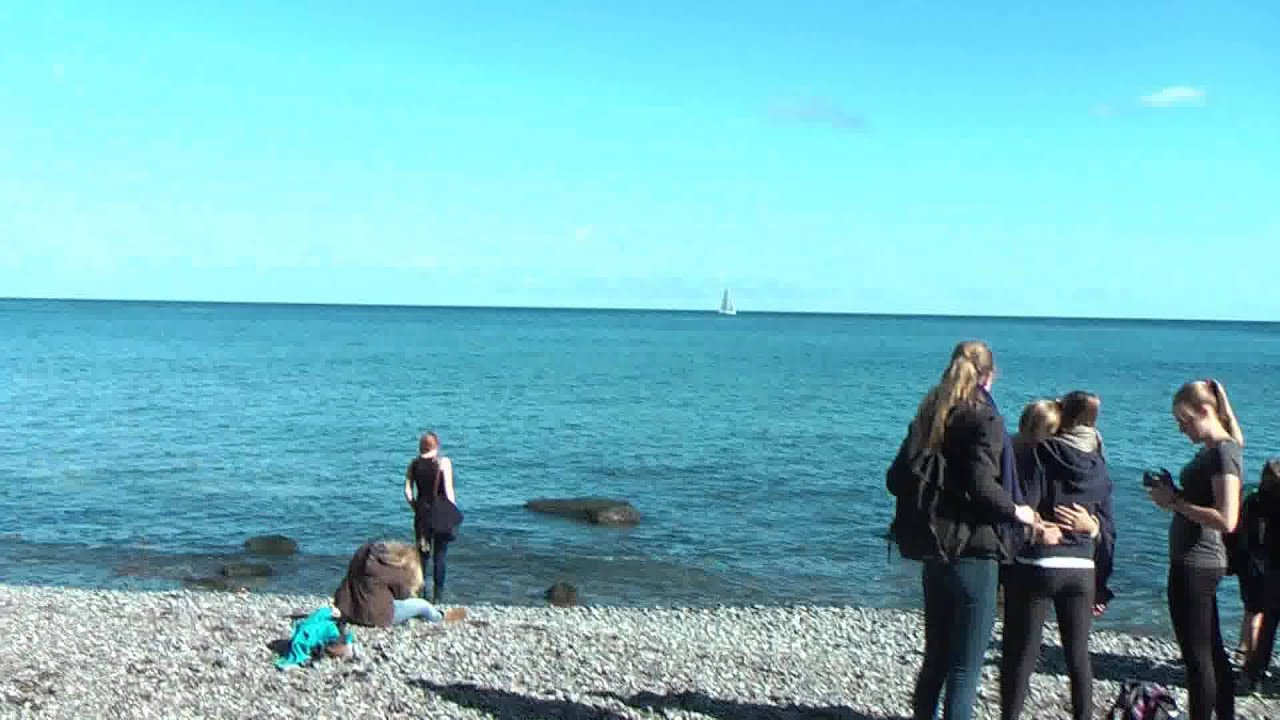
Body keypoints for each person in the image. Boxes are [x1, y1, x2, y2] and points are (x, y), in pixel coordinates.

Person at [895, 341, 1038, 720]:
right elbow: (982, 485)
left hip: (933, 546)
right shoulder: (985, 419)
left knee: (936, 659)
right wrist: (1019, 512)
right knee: (965, 667)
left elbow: (896, 478)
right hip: (974, 550)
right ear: (990, 376)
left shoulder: (930, 415)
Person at [1000, 391, 1115, 720]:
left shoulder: (1043, 453)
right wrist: (1102, 582)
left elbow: (1027, 505)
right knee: (1079, 656)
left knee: (1022, 654)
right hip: (1082, 567)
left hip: (1040, 562)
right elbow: (1108, 530)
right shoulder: (1099, 463)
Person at [1147, 379, 1244, 720]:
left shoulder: (1222, 452)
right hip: (1195, 560)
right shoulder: (1219, 448)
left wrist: (1175, 501)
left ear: (1206, 411)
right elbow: (1236, 436)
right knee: (1212, 654)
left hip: (1197, 562)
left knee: (1198, 658)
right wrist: (1174, 495)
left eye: (1185, 421)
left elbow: (1227, 518)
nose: (1180, 428)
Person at [332, 540, 465, 627]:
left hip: (348, 611)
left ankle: (415, 617)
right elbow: (403, 595)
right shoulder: (384, 565)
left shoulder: (360, 557)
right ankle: (440, 617)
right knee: (422, 604)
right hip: (376, 617)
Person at [1238, 459, 1280, 693]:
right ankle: (1254, 672)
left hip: (1269, 568)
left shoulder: (1256, 499)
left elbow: (1253, 539)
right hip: (1271, 566)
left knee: (1267, 626)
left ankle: (1253, 673)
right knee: (1266, 624)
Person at [404, 431, 457, 603]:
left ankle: (421, 593)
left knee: (422, 556)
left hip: (422, 515)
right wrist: (453, 512)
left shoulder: (413, 464)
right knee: (440, 555)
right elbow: (449, 491)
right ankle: (438, 597)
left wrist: (415, 507)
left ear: (421, 446)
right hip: (440, 514)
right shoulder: (443, 462)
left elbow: (407, 491)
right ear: (437, 445)